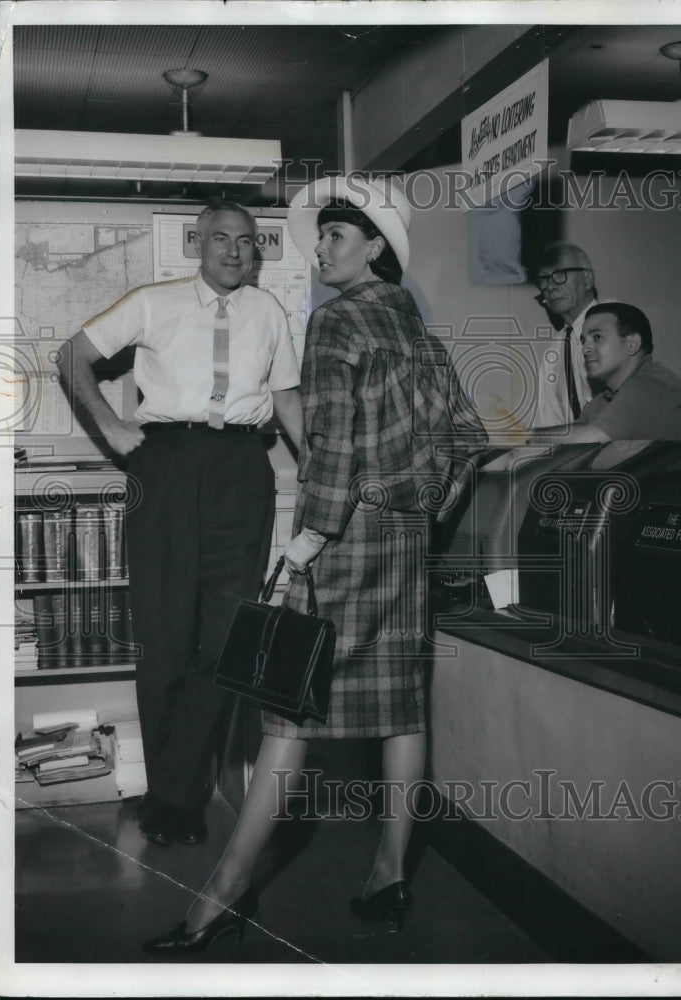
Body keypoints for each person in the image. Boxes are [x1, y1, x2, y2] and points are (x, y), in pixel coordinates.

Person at [143, 175, 489, 954]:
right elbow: (469, 440)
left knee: (285, 704)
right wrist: (421, 513)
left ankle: (222, 894)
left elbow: (330, 450)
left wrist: (309, 539)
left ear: (375, 251)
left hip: (343, 537)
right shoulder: (420, 335)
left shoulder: (337, 323)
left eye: (335, 237)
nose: (319, 249)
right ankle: (391, 876)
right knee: (402, 707)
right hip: (401, 543)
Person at [57, 201, 303, 847]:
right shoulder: (153, 300)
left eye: (245, 242)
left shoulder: (269, 312)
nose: (233, 251)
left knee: (227, 641)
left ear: (257, 251)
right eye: (220, 238)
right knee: (165, 637)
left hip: (242, 470)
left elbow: (285, 397)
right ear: (198, 243)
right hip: (164, 465)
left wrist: (321, 470)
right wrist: (111, 427)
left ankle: (171, 789)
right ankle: (178, 799)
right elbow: (73, 354)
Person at [528, 302, 681, 442]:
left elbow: (589, 438)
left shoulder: (650, 386)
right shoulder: (603, 401)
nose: (585, 349)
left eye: (597, 337)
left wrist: (519, 437)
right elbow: (568, 439)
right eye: (584, 340)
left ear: (632, 344)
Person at [533, 242, 597, 428]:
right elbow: (549, 425)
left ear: (587, 279)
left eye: (560, 275)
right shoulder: (555, 350)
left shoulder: (614, 331)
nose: (550, 287)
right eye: (544, 279)